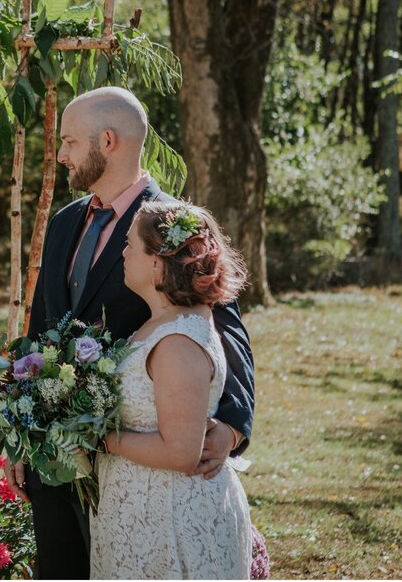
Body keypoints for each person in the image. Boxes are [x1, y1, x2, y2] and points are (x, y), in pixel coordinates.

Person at [3, 87, 255, 578]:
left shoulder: (173, 227)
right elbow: (39, 330)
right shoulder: (63, 223)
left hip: (141, 466)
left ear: (109, 142)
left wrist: (233, 426)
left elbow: (227, 332)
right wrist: (21, 432)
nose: (60, 155)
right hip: (55, 459)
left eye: (71, 143)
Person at [91, 201, 253, 577]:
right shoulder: (164, 322)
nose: (123, 252)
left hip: (172, 516)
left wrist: (102, 440)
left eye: (130, 244)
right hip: (142, 511)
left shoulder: (179, 341)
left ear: (157, 261)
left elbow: (181, 452)